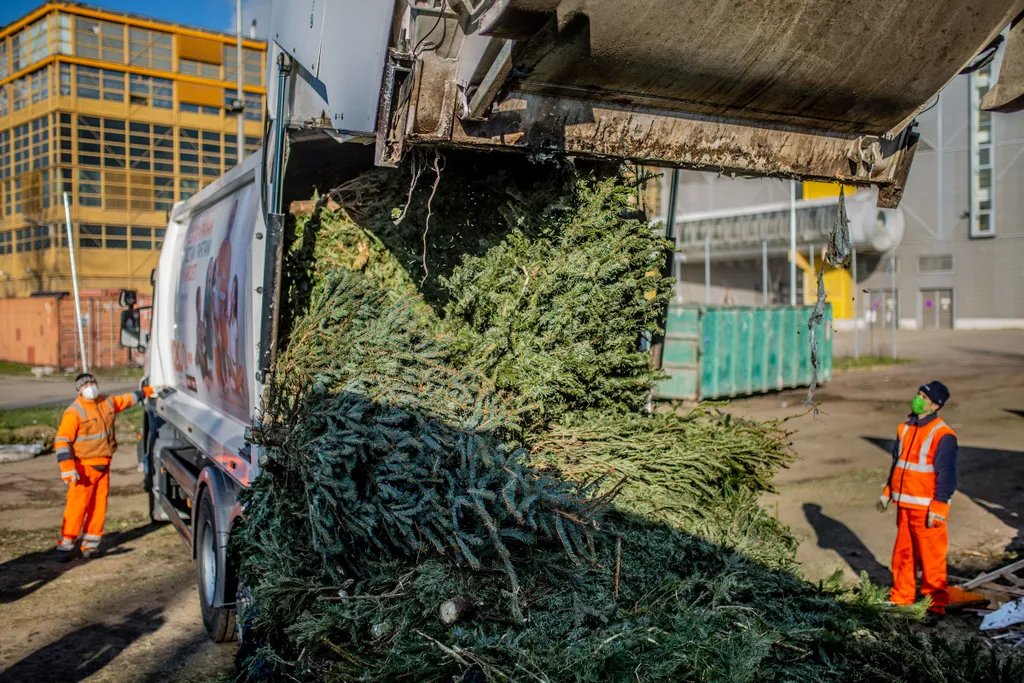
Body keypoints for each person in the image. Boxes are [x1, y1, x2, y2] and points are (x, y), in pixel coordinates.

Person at [54, 374, 157, 562]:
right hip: (83, 468)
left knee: (98, 507)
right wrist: (68, 467)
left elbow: (126, 400)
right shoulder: (74, 412)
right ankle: (65, 546)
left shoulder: (107, 402)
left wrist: (148, 391)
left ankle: (90, 545)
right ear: (79, 390)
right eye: (86, 385)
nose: (90, 387)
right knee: (76, 508)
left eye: (93, 383)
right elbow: (62, 440)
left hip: (104, 466)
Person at [877, 381, 957, 616]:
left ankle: (934, 605)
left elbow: (947, 476)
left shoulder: (943, 435)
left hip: (927, 508)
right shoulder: (904, 428)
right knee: (903, 555)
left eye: (924, 396)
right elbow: (897, 463)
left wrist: (939, 507)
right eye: (918, 394)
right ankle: (902, 598)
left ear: (935, 405)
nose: (918, 398)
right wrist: (887, 492)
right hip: (905, 504)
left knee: (932, 559)